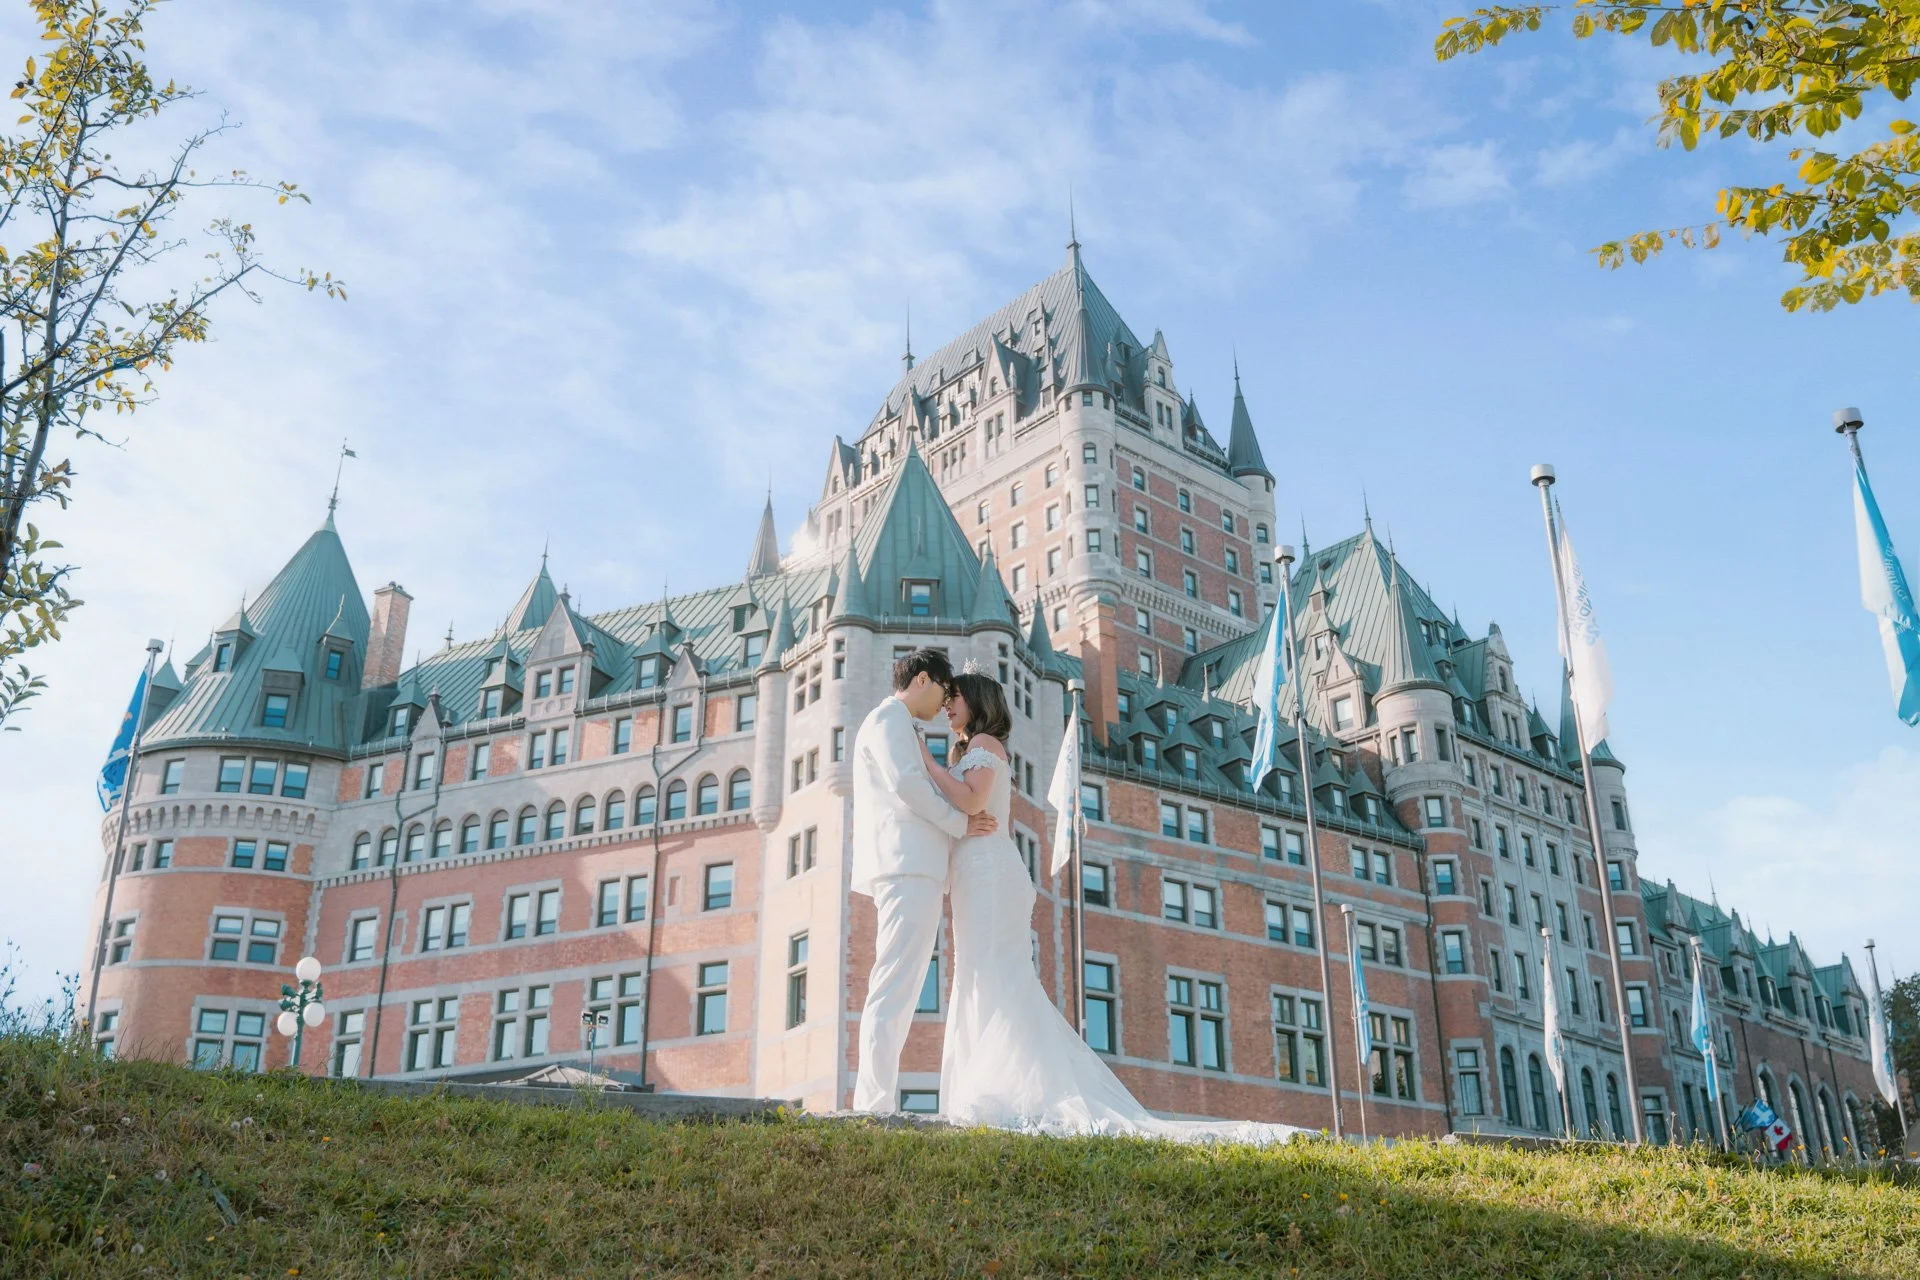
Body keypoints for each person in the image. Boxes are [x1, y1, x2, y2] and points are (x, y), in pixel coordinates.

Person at [920, 670, 1304, 1144]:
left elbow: (974, 797)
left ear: (976, 701)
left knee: (993, 976)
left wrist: (927, 762)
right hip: (977, 876)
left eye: (953, 697)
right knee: (982, 976)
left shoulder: (986, 744)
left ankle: (1002, 1091)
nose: (946, 706)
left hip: (991, 879)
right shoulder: (968, 750)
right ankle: (996, 1086)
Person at [850, 647, 997, 1114]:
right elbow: (908, 786)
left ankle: (875, 1100)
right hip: (907, 864)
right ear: (922, 680)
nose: (942, 705)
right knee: (893, 983)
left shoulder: (894, 724)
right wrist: (960, 824)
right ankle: (872, 1104)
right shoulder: (887, 720)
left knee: (902, 984)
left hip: (916, 867)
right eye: (942, 690)